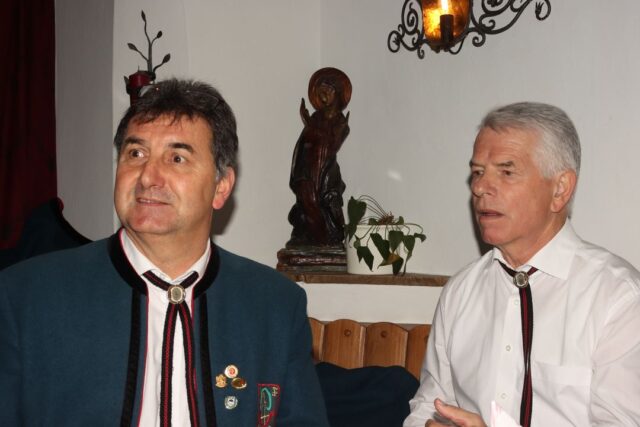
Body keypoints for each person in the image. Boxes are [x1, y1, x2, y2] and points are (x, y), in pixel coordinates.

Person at [0, 78, 330, 427]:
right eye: (136, 154)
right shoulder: (25, 296)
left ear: (221, 186)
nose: (148, 177)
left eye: (176, 158)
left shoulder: (274, 306)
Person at [404, 102, 640, 427]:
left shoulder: (618, 297)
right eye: (477, 172)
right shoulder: (461, 291)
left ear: (560, 189)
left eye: (506, 171)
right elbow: (429, 406)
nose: (479, 188)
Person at [287, 67, 351, 247]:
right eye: (320, 92)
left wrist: (310, 124)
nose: (323, 96)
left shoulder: (340, 122)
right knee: (306, 204)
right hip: (307, 171)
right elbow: (304, 144)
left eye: (327, 91)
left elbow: (331, 145)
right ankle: (308, 237)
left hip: (325, 172)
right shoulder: (316, 118)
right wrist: (309, 123)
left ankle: (330, 238)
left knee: (327, 203)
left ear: (337, 93)